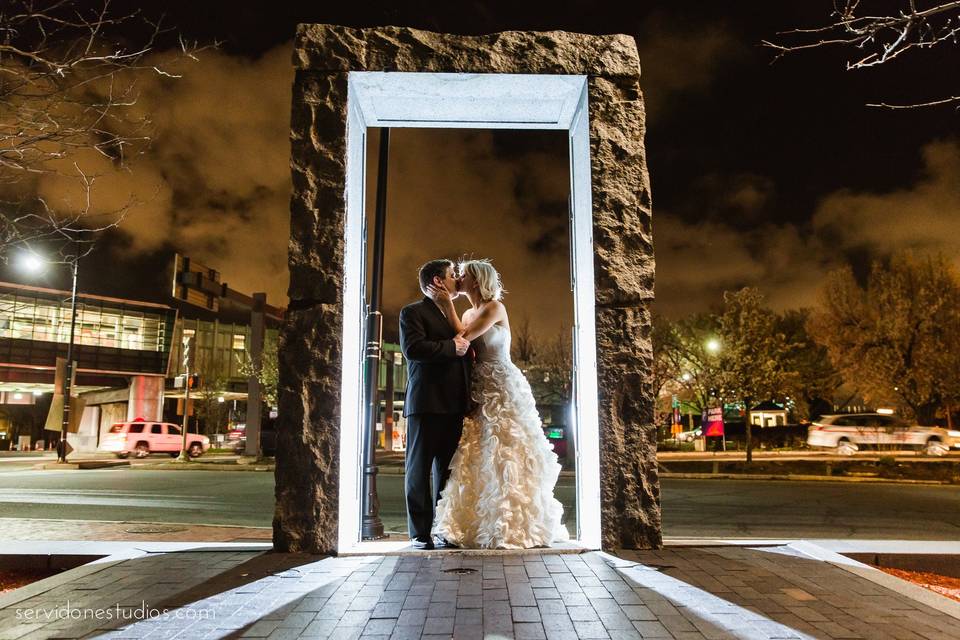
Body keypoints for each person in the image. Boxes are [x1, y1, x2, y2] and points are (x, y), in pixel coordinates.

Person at [428, 258, 569, 549]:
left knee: (508, 449)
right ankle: (480, 522)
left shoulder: (494, 307)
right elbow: (461, 338)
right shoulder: (468, 313)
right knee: (480, 454)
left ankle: (512, 523)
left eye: (463, 275)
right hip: (479, 386)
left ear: (476, 281)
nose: (458, 279)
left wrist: (445, 304)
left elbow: (464, 338)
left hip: (503, 383)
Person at [398, 259, 472, 550]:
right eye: (453, 276)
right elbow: (413, 349)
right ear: (438, 281)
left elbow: (468, 354)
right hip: (426, 403)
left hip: (454, 405)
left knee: (448, 473)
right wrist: (451, 347)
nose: (457, 280)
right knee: (418, 470)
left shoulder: (459, 318)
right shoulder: (412, 312)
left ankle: (445, 528)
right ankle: (419, 533)